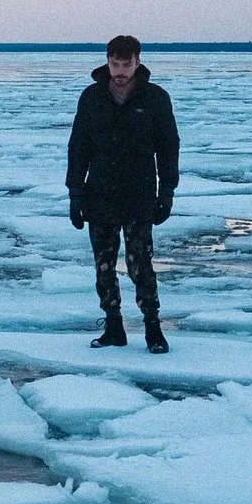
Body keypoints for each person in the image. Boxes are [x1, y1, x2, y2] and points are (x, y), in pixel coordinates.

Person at [65, 34, 179, 352]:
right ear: (108, 61)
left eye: (126, 64)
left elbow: (169, 148)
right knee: (104, 264)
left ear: (137, 62)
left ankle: (153, 329)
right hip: (99, 194)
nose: (119, 70)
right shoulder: (91, 97)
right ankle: (114, 326)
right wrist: (75, 193)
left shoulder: (155, 98)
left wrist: (167, 191)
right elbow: (78, 147)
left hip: (139, 195)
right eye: (114, 63)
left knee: (140, 263)